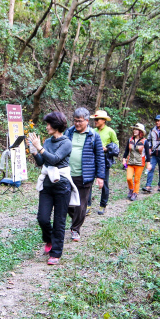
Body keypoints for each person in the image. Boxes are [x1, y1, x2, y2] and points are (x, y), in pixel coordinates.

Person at [29, 112, 77, 265]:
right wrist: (35, 152)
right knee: (42, 218)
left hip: (62, 185)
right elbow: (42, 162)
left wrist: (40, 148)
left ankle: (56, 253)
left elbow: (55, 159)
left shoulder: (67, 143)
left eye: (49, 124)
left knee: (59, 221)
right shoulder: (47, 141)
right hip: (47, 184)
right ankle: (49, 239)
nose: (47, 127)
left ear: (57, 125)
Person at [65, 108, 105, 242]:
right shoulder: (69, 132)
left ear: (87, 121)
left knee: (81, 205)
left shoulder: (94, 135)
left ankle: (75, 229)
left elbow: (100, 156)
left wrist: (100, 176)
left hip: (85, 176)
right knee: (67, 203)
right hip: (67, 174)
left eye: (80, 121)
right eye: (75, 121)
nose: (77, 124)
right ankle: (75, 219)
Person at [90, 110, 119, 215]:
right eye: (95, 119)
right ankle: (88, 205)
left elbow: (116, 146)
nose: (95, 121)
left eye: (97, 119)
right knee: (88, 182)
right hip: (92, 160)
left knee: (104, 184)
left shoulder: (110, 131)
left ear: (104, 120)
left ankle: (103, 205)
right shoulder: (92, 131)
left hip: (103, 160)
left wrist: (106, 149)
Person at [122, 124, 152, 201]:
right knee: (129, 178)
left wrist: (148, 163)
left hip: (140, 163)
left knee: (136, 179)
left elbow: (148, 154)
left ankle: (135, 193)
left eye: (136, 129)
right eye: (134, 129)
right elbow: (126, 151)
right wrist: (124, 159)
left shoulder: (145, 142)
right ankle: (131, 189)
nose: (134, 130)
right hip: (130, 162)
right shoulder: (130, 140)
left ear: (140, 132)